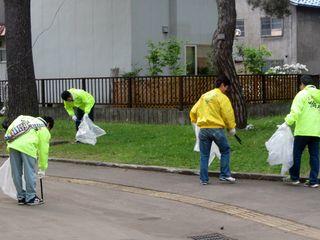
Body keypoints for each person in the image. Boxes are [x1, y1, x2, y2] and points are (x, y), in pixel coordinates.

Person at [190, 75, 237, 185]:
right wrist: (231, 128)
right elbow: (227, 114)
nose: (226, 90)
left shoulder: (204, 96)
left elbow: (193, 111)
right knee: (225, 150)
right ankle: (225, 175)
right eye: (226, 87)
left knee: (204, 155)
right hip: (216, 129)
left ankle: (204, 179)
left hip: (203, 129)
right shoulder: (222, 97)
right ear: (222, 85)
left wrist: (196, 120)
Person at [5, 115, 54, 205]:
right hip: (28, 148)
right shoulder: (43, 128)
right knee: (29, 172)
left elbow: (9, 130)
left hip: (13, 145)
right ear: (48, 124)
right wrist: (42, 168)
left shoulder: (22, 118)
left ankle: (21, 196)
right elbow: (43, 151)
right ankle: (31, 197)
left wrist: (9, 145)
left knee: (16, 172)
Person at [284, 75, 320, 188]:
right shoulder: (318, 95)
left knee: (297, 154)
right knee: (315, 156)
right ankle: (313, 181)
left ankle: (295, 178)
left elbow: (295, 111)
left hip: (302, 131)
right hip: (316, 131)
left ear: (302, 84)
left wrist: (287, 122)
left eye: (300, 85)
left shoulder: (302, 94)